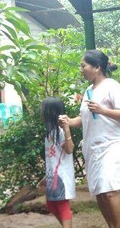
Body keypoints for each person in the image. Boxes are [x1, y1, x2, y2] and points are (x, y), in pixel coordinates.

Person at [60, 50, 120, 228]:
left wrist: (103, 110)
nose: (81, 69)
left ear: (97, 67)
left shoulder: (112, 86)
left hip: (112, 144)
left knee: (108, 190)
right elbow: (84, 118)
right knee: (100, 192)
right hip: (93, 146)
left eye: (83, 65)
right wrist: (68, 122)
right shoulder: (88, 90)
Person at [41, 97, 75, 228]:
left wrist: (67, 129)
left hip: (61, 176)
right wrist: (46, 176)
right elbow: (52, 159)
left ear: (49, 113)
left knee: (62, 205)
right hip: (52, 176)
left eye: (42, 110)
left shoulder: (60, 132)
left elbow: (69, 149)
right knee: (51, 205)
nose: (41, 113)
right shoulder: (49, 134)